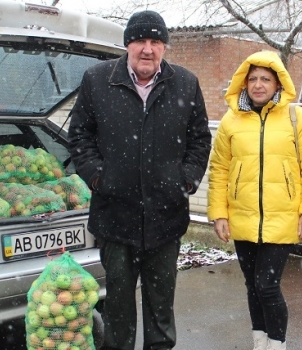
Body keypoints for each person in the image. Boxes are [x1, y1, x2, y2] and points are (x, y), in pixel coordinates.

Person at [68, 10, 212, 350]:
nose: (147, 49)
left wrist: (186, 181)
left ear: (163, 46)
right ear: (127, 44)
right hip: (115, 218)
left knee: (161, 307)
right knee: (118, 307)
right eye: (140, 41)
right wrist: (99, 177)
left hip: (166, 218)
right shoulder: (97, 80)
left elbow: (200, 140)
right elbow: (79, 137)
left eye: (155, 41)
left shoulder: (186, 83)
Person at [207, 51, 302, 350]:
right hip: (243, 216)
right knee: (252, 286)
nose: (259, 85)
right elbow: (219, 169)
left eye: (266, 79)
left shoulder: (295, 118)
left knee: (267, 286)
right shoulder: (231, 121)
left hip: (282, 217)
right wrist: (219, 213)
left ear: (278, 83)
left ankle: (277, 345)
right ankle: (259, 342)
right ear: (244, 83)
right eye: (253, 79)